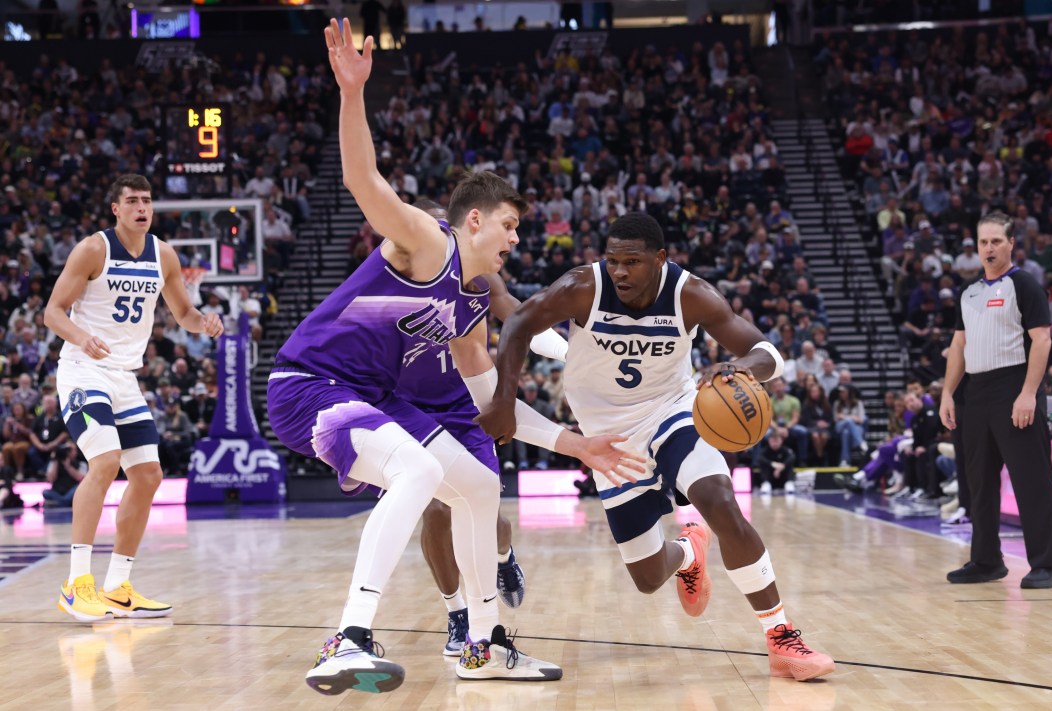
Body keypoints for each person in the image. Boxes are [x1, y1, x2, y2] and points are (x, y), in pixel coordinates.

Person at [268, 21, 640, 695]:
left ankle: (484, 643)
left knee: (478, 482)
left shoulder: (469, 306)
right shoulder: (425, 240)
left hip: (373, 398)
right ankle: (348, 637)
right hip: (307, 384)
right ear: (474, 219)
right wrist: (352, 92)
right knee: (418, 467)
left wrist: (576, 445)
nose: (515, 238)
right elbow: (361, 177)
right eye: (510, 224)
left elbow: (489, 403)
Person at [478, 212, 835, 681]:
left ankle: (782, 636)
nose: (620, 271)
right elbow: (519, 322)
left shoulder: (692, 294)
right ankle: (689, 552)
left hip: (673, 410)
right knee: (647, 578)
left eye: (632, 261)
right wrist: (505, 399)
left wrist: (742, 366)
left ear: (660, 260)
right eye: (613, 260)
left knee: (719, 502)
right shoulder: (584, 286)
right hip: (608, 435)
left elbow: (770, 353)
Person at [44, 173, 224, 622]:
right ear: (116, 209)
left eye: (147, 200)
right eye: (133, 201)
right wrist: (82, 338)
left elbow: (182, 312)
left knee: (147, 475)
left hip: (124, 377)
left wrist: (205, 322)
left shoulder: (163, 253)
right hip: (84, 370)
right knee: (104, 464)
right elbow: (52, 312)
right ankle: (76, 584)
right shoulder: (93, 249)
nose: (142, 207)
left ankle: (118, 586)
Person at [397, 200, 569, 656]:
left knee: (485, 514)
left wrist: (570, 352)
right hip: (412, 407)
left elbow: (515, 312)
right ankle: (457, 613)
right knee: (437, 509)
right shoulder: (392, 272)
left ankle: (502, 556)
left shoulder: (476, 269)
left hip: (465, 401)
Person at [940, 211, 1052, 589]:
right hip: (975, 392)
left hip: (1015, 387)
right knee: (979, 482)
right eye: (983, 242)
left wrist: (1029, 394)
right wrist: (947, 392)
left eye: (996, 241)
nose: (989, 248)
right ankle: (986, 560)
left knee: (1033, 480)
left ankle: (1046, 565)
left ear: (1011, 244)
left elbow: (1042, 340)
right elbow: (959, 345)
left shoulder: (1024, 284)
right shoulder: (970, 292)